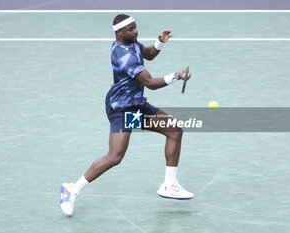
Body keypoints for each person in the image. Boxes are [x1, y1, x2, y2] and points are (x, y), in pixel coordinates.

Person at [60, 14, 194, 216]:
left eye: (135, 27)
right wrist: (176, 76)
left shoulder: (131, 44)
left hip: (136, 104)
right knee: (115, 156)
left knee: (174, 130)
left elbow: (147, 53)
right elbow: (150, 83)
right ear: (119, 33)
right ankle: (71, 190)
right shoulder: (124, 56)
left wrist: (159, 42)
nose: (136, 31)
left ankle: (169, 184)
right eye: (131, 29)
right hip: (121, 108)